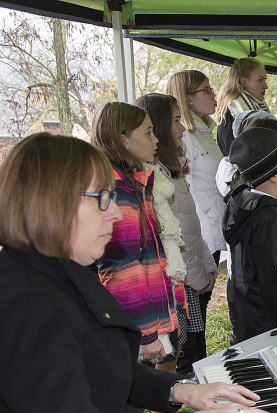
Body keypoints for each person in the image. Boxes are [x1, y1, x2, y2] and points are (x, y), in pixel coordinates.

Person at [0, 133, 274, 413]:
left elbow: (95, 366)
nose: (116, 214)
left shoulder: (53, 271)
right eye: (103, 199)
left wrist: (178, 390)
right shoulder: (29, 306)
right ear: (53, 202)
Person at [135, 93, 218, 376]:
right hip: (176, 282)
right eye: (175, 120)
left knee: (187, 349)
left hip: (188, 276)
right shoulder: (154, 179)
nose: (182, 128)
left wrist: (206, 264)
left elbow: (191, 223)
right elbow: (172, 237)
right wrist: (197, 274)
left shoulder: (174, 171)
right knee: (172, 359)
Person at [91, 102, 178, 365]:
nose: (156, 139)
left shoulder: (127, 181)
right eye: (148, 133)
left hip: (138, 317)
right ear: (123, 140)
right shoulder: (117, 188)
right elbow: (122, 268)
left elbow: (150, 252)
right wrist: (146, 334)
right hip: (132, 324)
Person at [222, 128, 277, 342]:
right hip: (276, 330)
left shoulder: (246, 206)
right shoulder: (271, 221)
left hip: (256, 323)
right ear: (272, 175)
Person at [166, 70, 226, 358]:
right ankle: (188, 371)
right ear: (187, 98)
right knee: (192, 317)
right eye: (206, 90)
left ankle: (194, 367)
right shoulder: (187, 137)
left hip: (206, 234)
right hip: (196, 234)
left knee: (199, 312)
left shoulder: (205, 132)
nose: (213, 94)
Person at [214, 58, 271, 156]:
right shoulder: (232, 114)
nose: (266, 86)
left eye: (264, 80)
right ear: (243, 81)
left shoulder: (256, 107)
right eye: (260, 80)